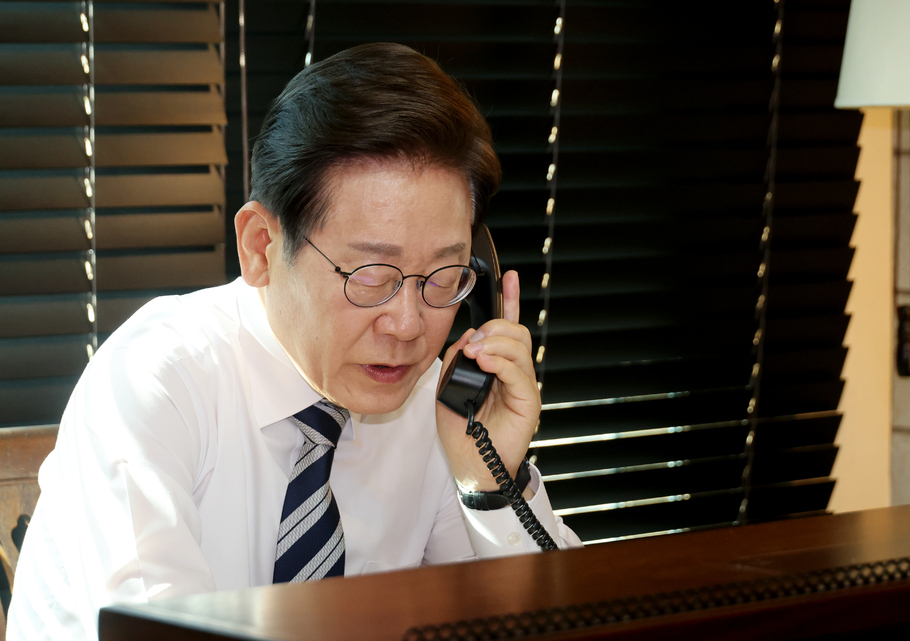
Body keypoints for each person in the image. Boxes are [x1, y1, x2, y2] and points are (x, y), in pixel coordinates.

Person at [6, 43, 580, 640]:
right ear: (261, 247)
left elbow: (560, 622)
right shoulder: (154, 384)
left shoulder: (437, 409)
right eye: (371, 276)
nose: (409, 326)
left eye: (443, 275)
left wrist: (491, 482)